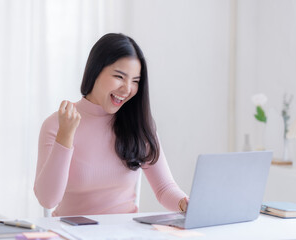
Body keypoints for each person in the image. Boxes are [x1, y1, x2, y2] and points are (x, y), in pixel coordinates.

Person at [34, 33, 188, 217]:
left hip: (126, 233)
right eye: (119, 77)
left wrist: (185, 203)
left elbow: (164, 188)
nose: (127, 89)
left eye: (135, 81)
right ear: (95, 71)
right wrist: (65, 137)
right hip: (72, 233)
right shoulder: (56, 124)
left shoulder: (138, 124)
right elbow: (48, 199)